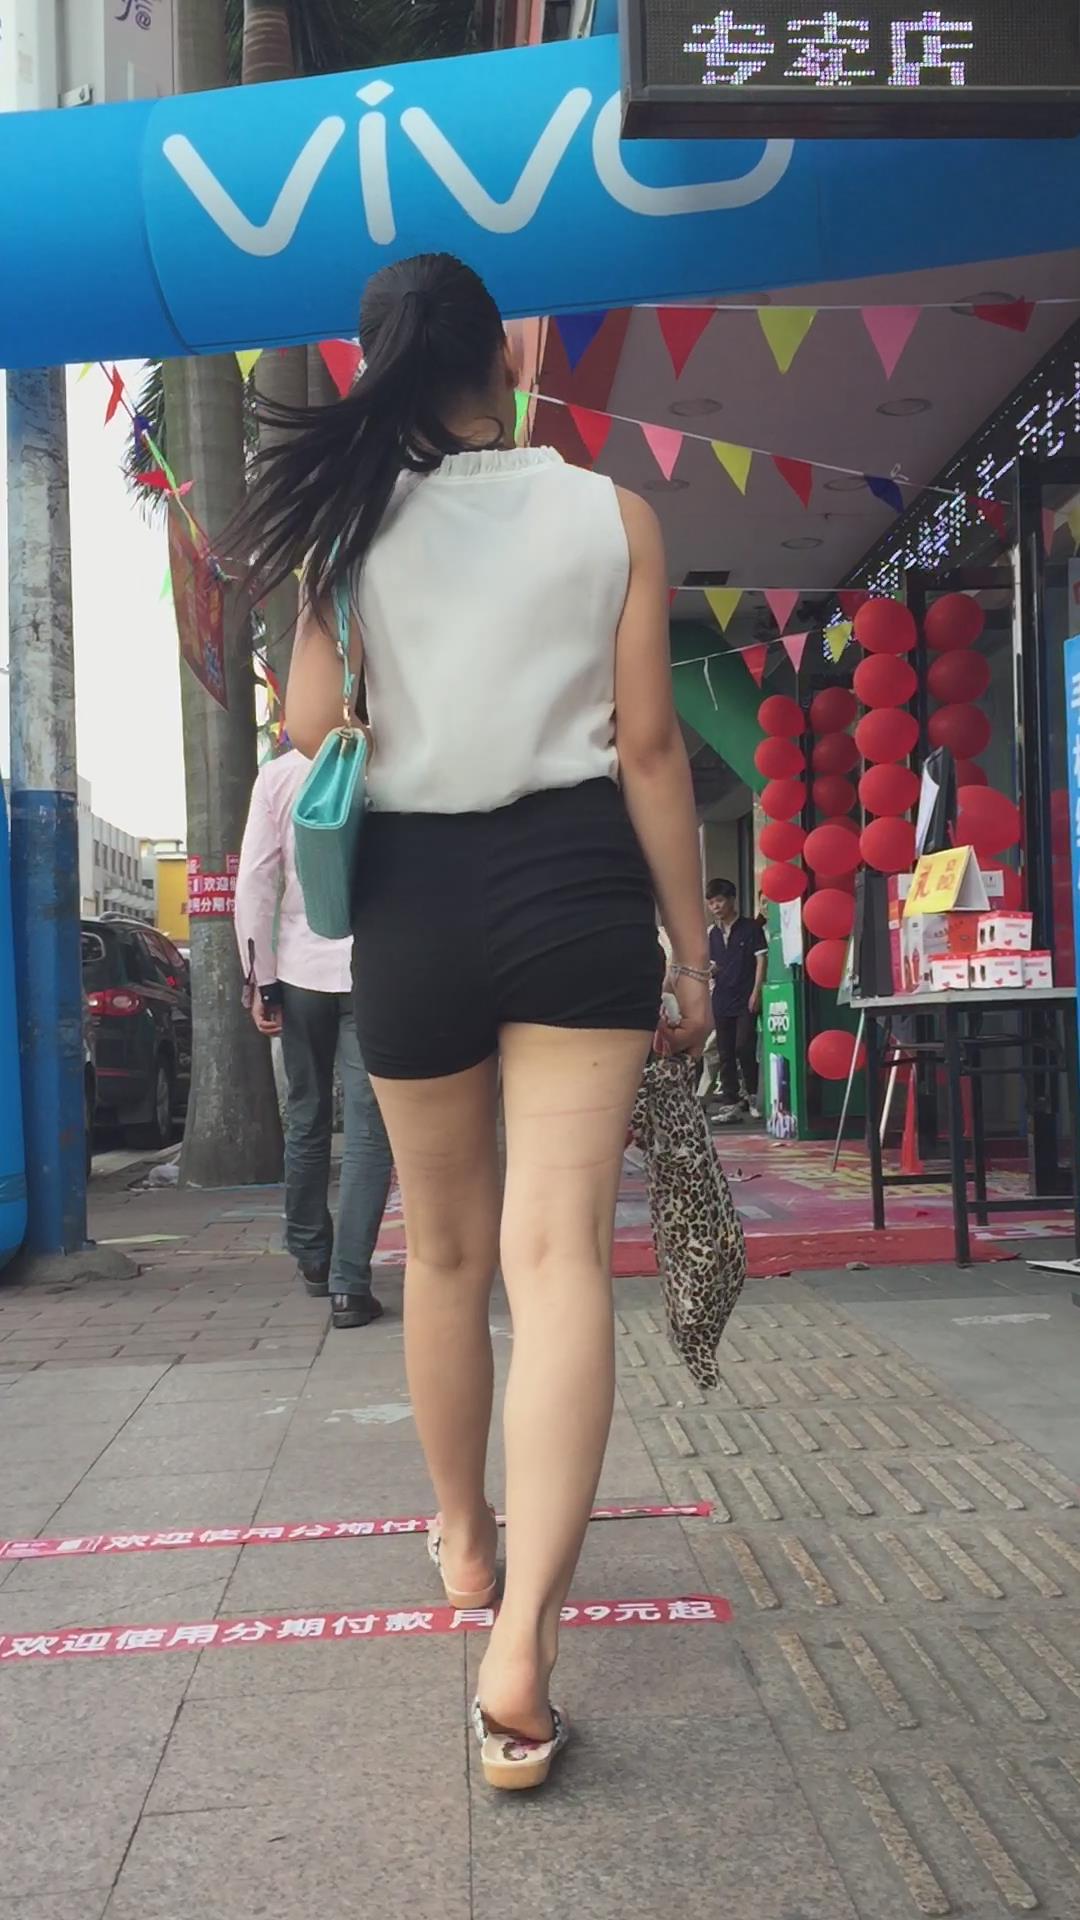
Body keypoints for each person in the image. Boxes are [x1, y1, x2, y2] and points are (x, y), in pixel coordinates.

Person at [231, 252, 709, 1790]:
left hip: (415, 905)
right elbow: (650, 753)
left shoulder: (351, 528)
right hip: (578, 890)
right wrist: (694, 961)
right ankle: (526, 1652)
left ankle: (462, 1539)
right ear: (508, 357)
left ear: (375, 369)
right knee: (556, 1260)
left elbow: (309, 728)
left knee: (441, 1251)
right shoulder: (611, 514)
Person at [234, 750, 392, 1330]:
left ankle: (312, 1257)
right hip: (374, 969)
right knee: (369, 1128)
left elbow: (256, 881)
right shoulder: (383, 760)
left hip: (299, 972)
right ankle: (350, 1285)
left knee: (306, 1115)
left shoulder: (279, 775)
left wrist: (260, 979)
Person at [706, 877, 768, 1123]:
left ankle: (752, 1096)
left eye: (719, 901)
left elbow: (761, 960)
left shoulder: (750, 928)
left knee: (744, 1046)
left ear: (732, 900)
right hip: (721, 997)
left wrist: (757, 991)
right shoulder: (712, 933)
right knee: (725, 1051)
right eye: (711, 903)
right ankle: (730, 1101)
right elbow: (715, 964)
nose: (715, 907)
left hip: (745, 997)